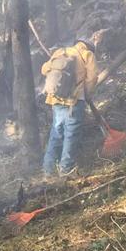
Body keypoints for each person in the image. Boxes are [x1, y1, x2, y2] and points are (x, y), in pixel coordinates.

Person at [40, 38, 98, 177]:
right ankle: (66, 169)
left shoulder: (61, 51)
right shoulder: (87, 55)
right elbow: (93, 77)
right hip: (74, 101)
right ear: (88, 46)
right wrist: (87, 93)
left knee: (56, 133)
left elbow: (44, 70)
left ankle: (48, 169)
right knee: (71, 134)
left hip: (56, 99)